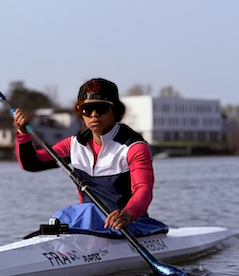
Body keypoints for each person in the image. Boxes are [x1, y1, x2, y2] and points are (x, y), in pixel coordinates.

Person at [13, 78, 154, 231]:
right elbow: (33, 164)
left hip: (130, 225)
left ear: (115, 111)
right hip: (91, 227)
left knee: (86, 213)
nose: (93, 115)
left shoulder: (134, 147)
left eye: (100, 108)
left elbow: (143, 189)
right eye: (86, 110)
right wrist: (23, 135)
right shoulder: (73, 145)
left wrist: (128, 213)